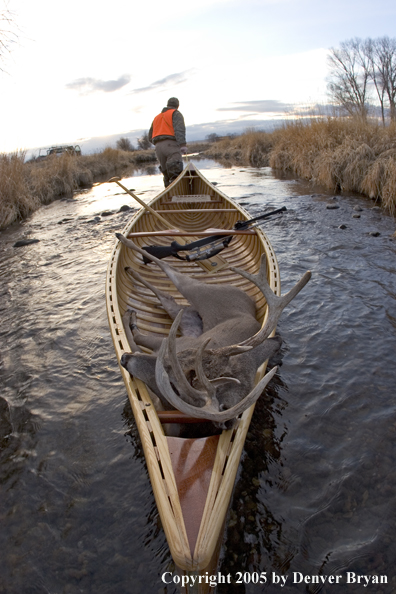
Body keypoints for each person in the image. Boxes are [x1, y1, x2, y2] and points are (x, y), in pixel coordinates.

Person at [149, 97, 187, 187]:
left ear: (167, 105)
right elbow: (179, 129)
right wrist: (183, 144)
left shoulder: (157, 117)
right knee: (175, 174)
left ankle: (168, 196)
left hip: (158, 148)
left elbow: (150, 136)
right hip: (171, 145)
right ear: (177, 106)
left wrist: (159, 144)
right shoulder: (175, 113)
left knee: (166, 176)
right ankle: (178, 196)